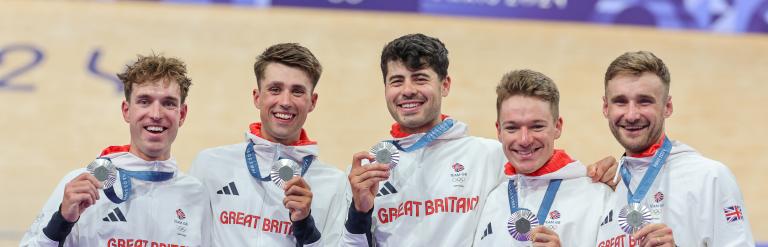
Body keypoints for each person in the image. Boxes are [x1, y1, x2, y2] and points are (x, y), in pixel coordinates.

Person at [342, 33, 617, 246]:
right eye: (397, 81)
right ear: (386, 89)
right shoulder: (367, 173)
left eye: (420, 78)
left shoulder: (490, 155)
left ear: (445, 84)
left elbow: (543, 172)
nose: (408, 90)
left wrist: (595, 175)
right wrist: (359, 212)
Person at [20, 54, 210, 246]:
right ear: (126, 111)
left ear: (182, 114)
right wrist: (61, 221)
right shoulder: (82, 185)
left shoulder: (196, 195)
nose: (155, 114)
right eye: (144, 101)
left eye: (168, 103)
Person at [188, 43, 346, 246]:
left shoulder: (333, 183)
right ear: (257, 97)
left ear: (312, 102)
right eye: (275, 89)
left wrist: (307, 228)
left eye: (297, 91)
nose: (285, 101)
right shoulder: (211, 164)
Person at [595, 51, 754, 246]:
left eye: (644, 101)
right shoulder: (603, 188)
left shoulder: (710, 177)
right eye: (620, 102)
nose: (631, 115)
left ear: (667, 107)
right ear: (605, 107)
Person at [473, 69, 612, 246]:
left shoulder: (597, 196)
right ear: (499, 131)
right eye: (512, 128)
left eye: (537, 126)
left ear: (557, 127)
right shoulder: (490, 200)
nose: (524, 140)